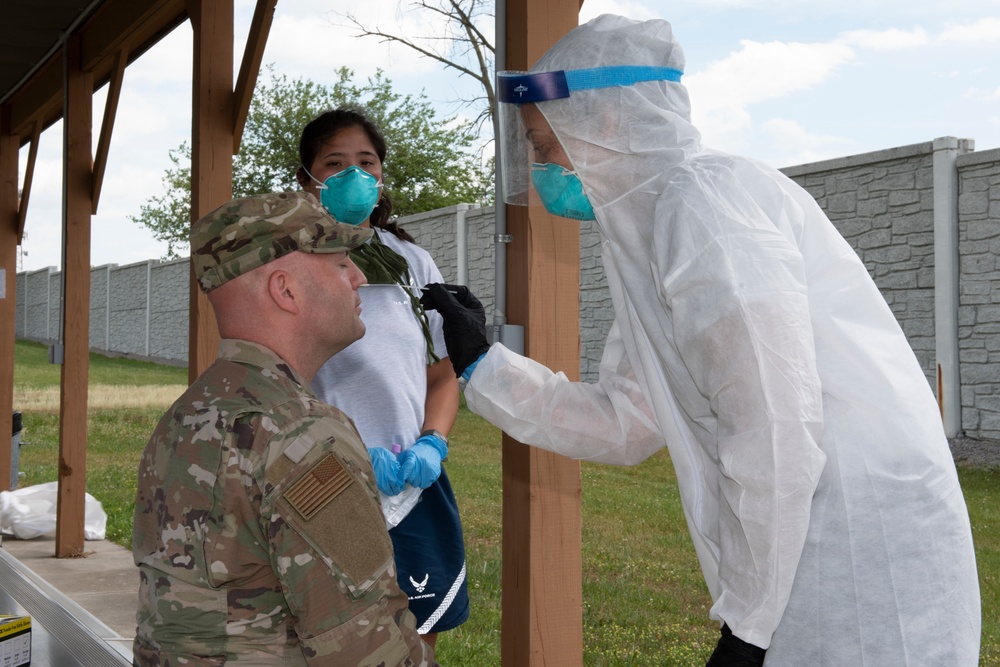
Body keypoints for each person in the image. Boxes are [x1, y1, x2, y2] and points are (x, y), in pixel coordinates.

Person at [420, 14, 981, 667]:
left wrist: (748, 627)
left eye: (545, 145)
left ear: (602, 121)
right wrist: (483, 364)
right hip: (798, 543)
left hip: (857, 543)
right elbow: (628, 420)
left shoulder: (706, 206)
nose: (540, 167)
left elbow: (776, 428)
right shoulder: (648, 225)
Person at [132, 191, 436, 666]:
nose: (358, 278)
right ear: (286, 290)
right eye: (340, 266)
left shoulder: (187, 414)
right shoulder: (301, 434)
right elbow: (365, 648)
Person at [295, 108, 469, 648]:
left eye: (365, 162)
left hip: (412, 483)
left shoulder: (413, 264)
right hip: (320, 483)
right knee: (332, 638)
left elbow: (443, 374)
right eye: (335, 163)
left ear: (382, 176)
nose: (354, 174)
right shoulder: (290, 261)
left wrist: (433, 443)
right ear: (308, 180)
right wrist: (336, 451)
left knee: (418, 636)